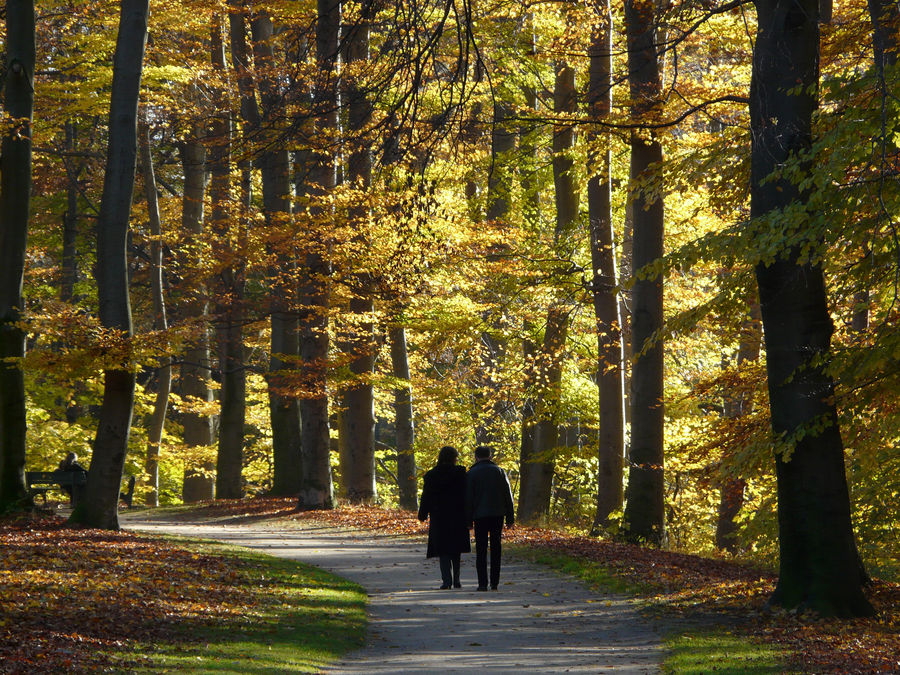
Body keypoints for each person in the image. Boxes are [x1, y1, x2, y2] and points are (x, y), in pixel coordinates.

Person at [418, 446, 471, 589]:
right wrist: (469, 515)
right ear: (454, 458)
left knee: (443, 549)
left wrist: (422, 513)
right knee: (456, 548)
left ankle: (446, 581)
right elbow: (467, 495)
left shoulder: (432, 475)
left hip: (439, 515)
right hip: (458, 514)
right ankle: (457, 580)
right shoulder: (460, 474)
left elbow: (426, 496)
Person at [466, 445, 515, 591]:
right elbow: (508, 495)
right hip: (497, 514)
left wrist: (468, 521)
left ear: (476, 457)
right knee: (496, 548)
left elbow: (468, 499)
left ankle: (482, 583)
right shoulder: (500, 472)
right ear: (490, 456)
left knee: (481, 550)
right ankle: (495, 582)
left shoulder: (471, 473)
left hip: (480, 516)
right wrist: (510, 518)